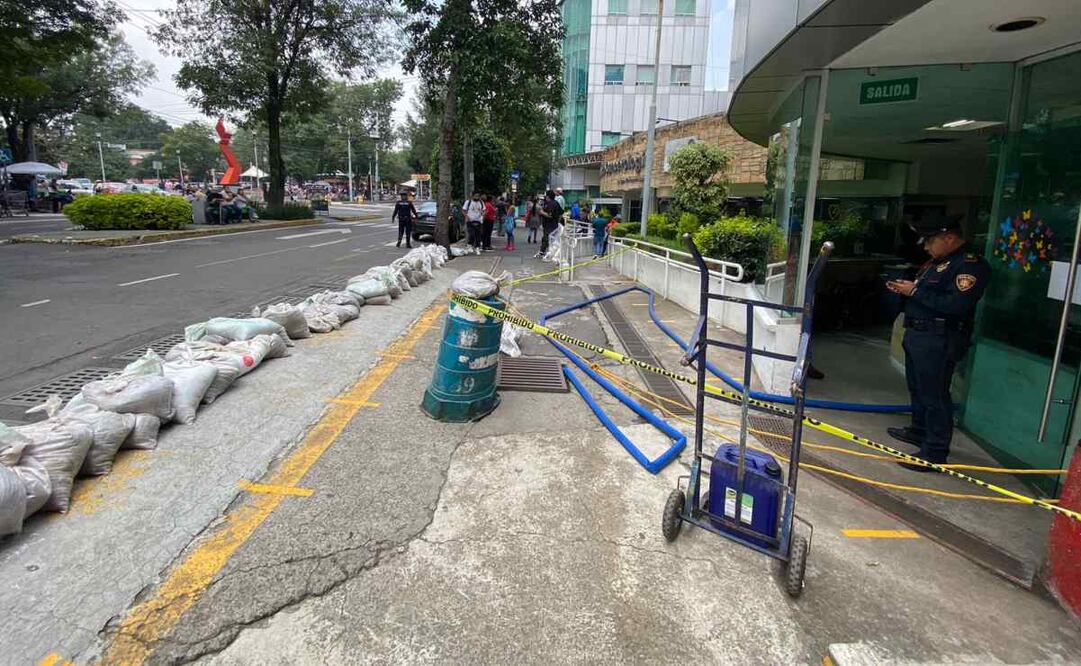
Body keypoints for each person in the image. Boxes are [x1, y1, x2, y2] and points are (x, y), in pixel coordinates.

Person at [885, 214, 990, 472]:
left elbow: (957, 304)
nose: (926, 247)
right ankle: (918, 431)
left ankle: (934, 451)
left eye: (930, 241)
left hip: (940, 338)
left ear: (950, 238)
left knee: (935, 394)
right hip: (920, 335)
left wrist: (915, 291)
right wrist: (907, 289)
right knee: (918, 387)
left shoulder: (969, 266)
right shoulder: (938, 262)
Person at [537, 190, 562, 258]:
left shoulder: (551, 204)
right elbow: (561, 213)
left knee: (547, 239)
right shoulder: (555, 203)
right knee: (548, 239)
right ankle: (543, 252)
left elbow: (550, 215)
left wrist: (542, 212)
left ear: (548, 196)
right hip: (552, 224)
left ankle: (547, 253)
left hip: (550, 225)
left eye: (546, 196)